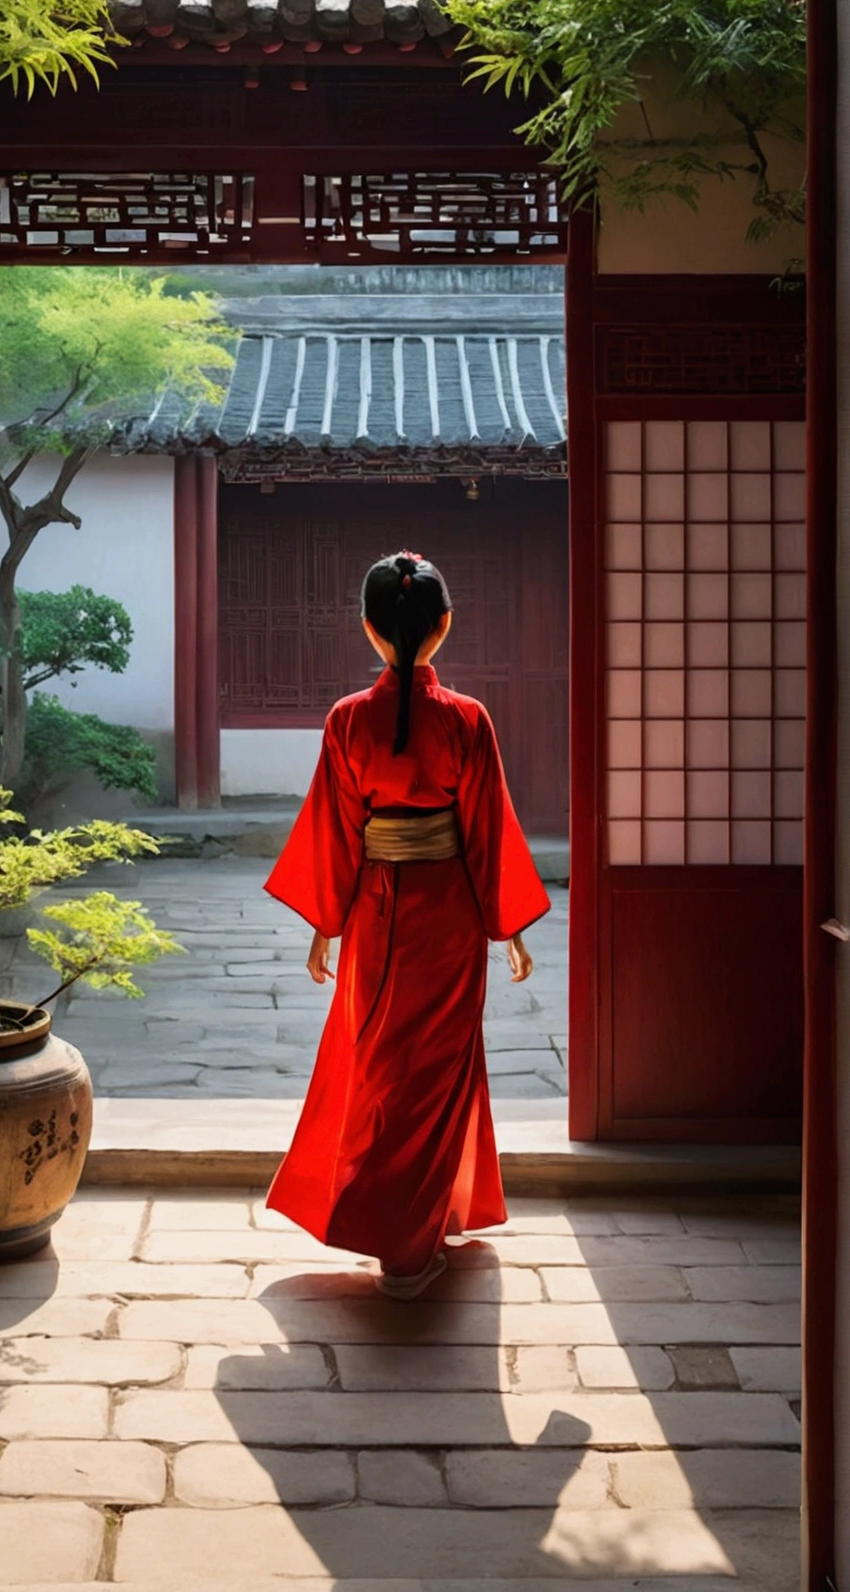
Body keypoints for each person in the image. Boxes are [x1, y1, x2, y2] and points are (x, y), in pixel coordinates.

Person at [265, 549, 550, 1298]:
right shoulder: (467, 720)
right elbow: (487, 829)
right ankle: (408, 1241)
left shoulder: (346, 721)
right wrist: (508, 923)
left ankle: (409, 1225)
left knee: (385, 1071)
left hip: (374, 912)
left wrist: (326, 923)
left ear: (369, 630)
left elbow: (333, 829)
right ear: (443, 627)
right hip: (450, 913)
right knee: (439, 1073)